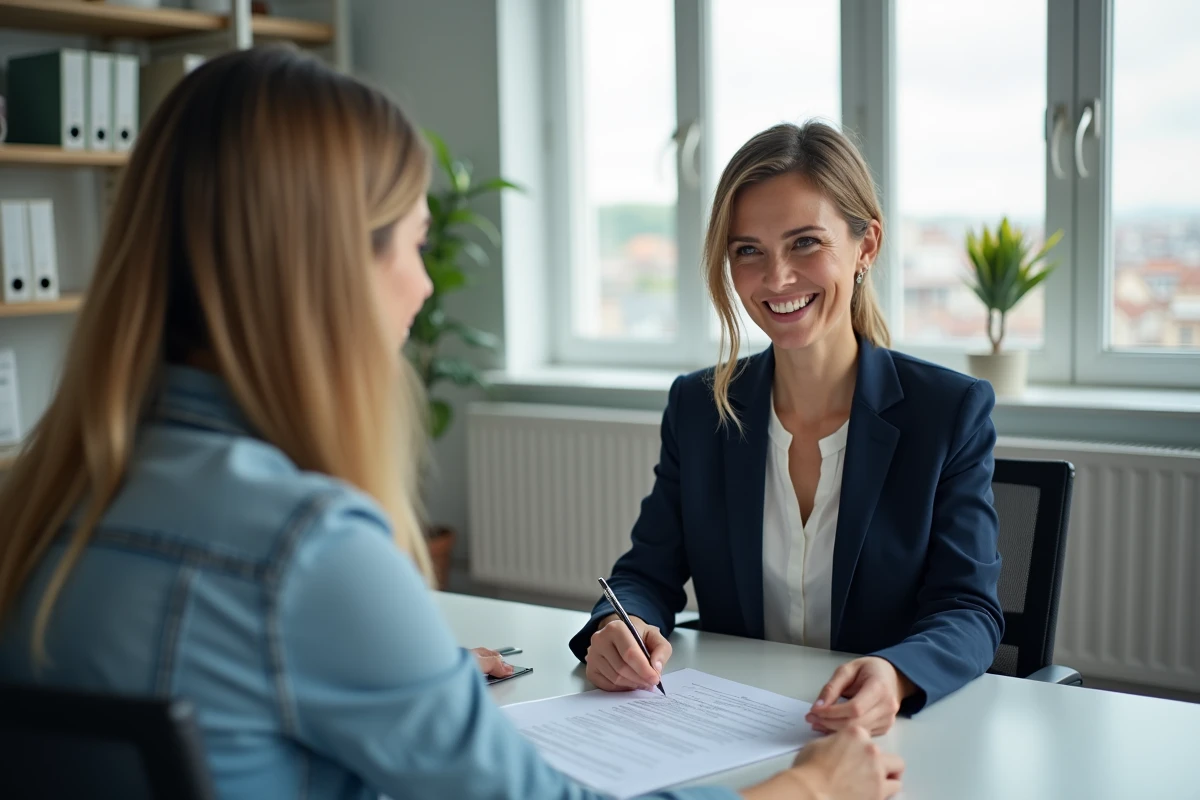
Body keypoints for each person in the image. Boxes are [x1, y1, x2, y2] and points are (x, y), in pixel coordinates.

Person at [0, 49, 903, 800]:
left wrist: (402, 661)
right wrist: (815, 787)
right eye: (416, 242)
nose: (426, 285)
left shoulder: (40, 501)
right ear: (324, 267)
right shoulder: (304, 551)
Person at [571, 121, 1005, 736]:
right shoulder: (699, 408)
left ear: (866, 246)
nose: (776, 279)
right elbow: (645, 574)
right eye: (749, 250)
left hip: (881, 739)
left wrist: (896, 672)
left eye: (805, 242)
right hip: (730, 732)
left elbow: (969, 609)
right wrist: (618, 626)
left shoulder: (949, 411)